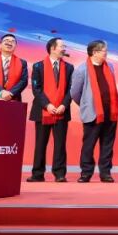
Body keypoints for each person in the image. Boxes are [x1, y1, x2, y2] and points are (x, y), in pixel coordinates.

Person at [70, 40, 118, 183]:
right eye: (104, 51)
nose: (106, 53)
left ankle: (105, 173)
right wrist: (86, 104)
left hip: (110, 112)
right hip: (92, 113)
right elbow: (74, 93)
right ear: (95, 52)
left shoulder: (110, 67)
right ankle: (86, 173)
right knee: (89, 145)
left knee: (107, 145)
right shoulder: (82, 69)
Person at [27, 37, 73, 182]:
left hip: (61, 111)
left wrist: (63, 105)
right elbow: (36, 89)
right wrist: (48, 105)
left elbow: (71, 89)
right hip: (42, 110)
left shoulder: (69, 67)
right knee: (40, 143)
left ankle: (59, 174)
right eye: (62, 46)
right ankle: (37, 173)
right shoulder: (38, 66)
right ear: (52, 48)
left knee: (60, 144)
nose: (64, 49)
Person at [0, 33, 29, 101]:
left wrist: (10, 93)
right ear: (0, 45)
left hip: (14, 98)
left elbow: (23, 81)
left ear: (15, 46)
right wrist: (1, 92)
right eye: (6, 40)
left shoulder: (22, 63)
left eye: (13, 41)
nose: (9, 43)